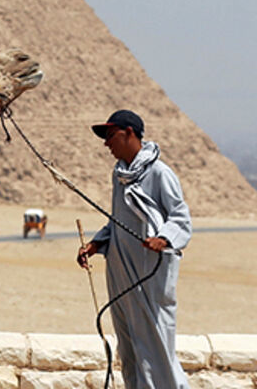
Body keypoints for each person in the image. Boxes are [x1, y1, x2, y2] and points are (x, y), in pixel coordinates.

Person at [76, 109, 192, 388]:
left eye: (110, 135)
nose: (106, 143)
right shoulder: (120, 176)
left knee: (156, 350)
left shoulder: (160, 174)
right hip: (122, 275)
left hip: (150, 278)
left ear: (130, 133)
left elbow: (180, 218)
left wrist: (162, 239)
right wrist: (95, 244)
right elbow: (116, 222)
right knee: (129, 348)